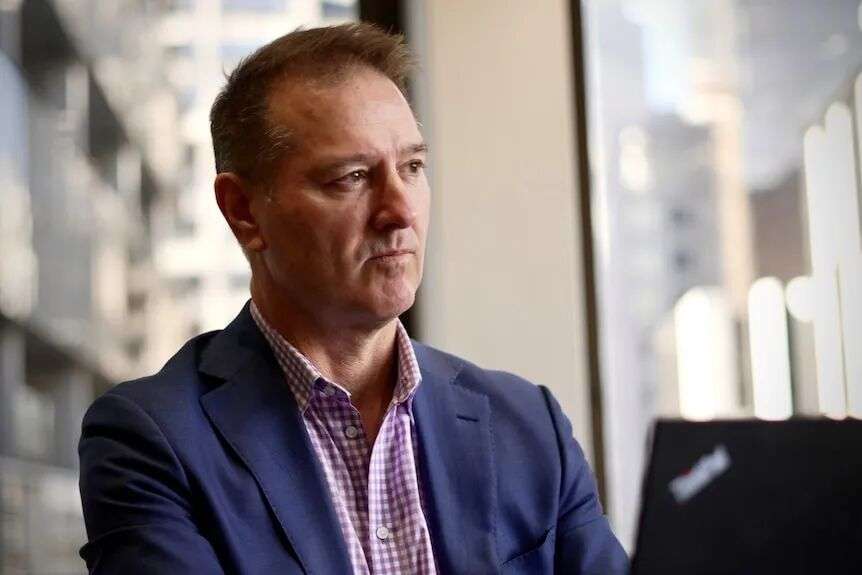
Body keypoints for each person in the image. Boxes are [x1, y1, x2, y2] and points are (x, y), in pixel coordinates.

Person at [78, 23, 628, 575]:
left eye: (412, 168)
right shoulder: (152, 440)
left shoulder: (529, 426)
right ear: (244, 211)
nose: (400, 212)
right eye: (353, 176)